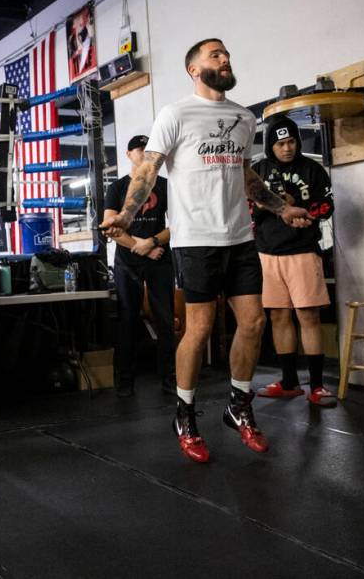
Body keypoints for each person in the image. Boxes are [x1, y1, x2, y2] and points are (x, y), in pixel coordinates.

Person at [100, 39, 313, 464]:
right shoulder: (176, 113)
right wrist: (126, 213)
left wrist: (281, 208)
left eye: (227, 54)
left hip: (240, 237)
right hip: (196, 240)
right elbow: (149, 168)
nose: (225, 59)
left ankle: (238, 405)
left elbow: (246, 176)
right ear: (193, 69)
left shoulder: (243, 117)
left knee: (253, 323)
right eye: (215, 55)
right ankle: (185, 414)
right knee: (198, 329)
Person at [252, 116, 337, 407]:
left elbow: (327, 204)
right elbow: (247, 208)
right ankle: (289, 381)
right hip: (267, 253)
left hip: (302, 251)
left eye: (291, 143)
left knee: (308, 317)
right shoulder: (258, 171)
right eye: (280, 144)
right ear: (270, 146)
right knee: (278, 317)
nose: (287, 148)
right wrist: (274, 206)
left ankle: (316, 385)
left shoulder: (311, 169)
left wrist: (305, 213)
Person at [103, 134, 175, 397]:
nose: (144, 153)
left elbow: (178, 223)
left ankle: (170, 379)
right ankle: (125, 381)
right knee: (127, 321)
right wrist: (141, 246)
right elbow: (110, 226)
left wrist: (154, 242)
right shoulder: (118, 188)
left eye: (148, 149)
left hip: (159, 257)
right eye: (138, 149)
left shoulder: (166, 186)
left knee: (165, 321)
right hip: (129, 261)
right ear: (128, 154)